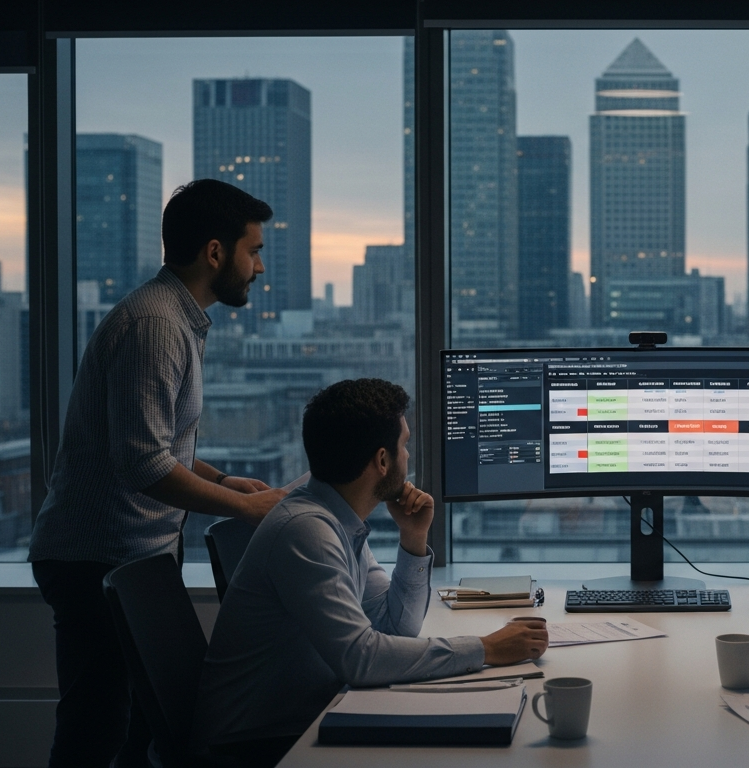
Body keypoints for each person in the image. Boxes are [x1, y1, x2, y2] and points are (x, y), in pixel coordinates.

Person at [28, 179, 288, 768]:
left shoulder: (177, 319)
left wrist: (221, 482)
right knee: (97, 731)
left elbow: (157, 445)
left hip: (130, 555)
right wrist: (246, 508)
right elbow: (142, 463)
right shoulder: (156, 325)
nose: (260, 267)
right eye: (253, 251)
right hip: (96, 558)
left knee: (142, 734)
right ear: (215, 252)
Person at [192, 379, 549, 765]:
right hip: (256, 746)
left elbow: (395, 628)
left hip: (299, 722)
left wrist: (413, 538)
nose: (407, 456)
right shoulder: (305, 531)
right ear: (382, 460)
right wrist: (486, 648)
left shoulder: (336, 520)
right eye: (404, 444)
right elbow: (360, 659)